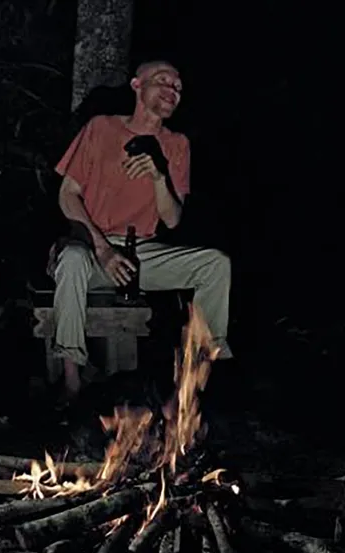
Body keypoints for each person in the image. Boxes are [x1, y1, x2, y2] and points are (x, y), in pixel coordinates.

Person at [53, 60, 232, 400]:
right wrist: (103, 249)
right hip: (90, 247)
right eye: (162, 81)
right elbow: (67, 195)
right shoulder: (101, 128)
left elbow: (174, 220)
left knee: (216, 264)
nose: (172, 90)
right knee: (73, 260)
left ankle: (200, 371)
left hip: (140, 254)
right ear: (137, 85)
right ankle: (71, 377)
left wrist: (158, 176)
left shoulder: (177, 144)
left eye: (178, 86)